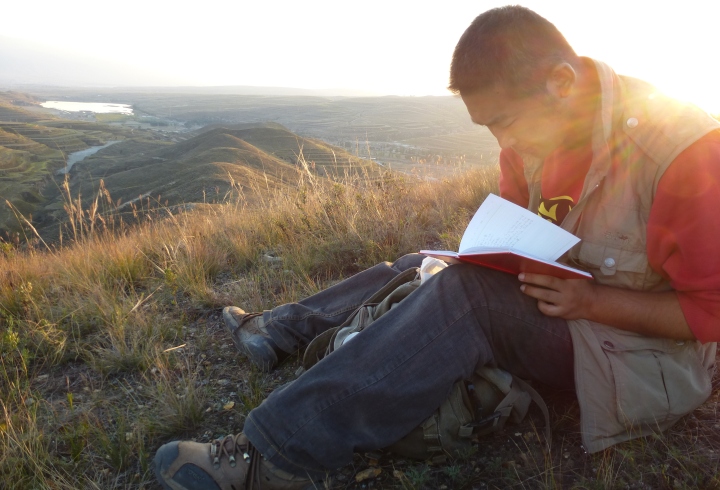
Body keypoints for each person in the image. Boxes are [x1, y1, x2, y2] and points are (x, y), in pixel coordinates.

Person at [153, 6, 720, 489]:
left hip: (641, 359)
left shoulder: (680, 154)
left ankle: (273, 455)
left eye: (506, 122)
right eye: (488, 129)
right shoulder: (534, 139)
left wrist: (589, 303)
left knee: (466, 295)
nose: (505, 144)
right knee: (427, 263)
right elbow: (523, 239)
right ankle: (278, 330)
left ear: (563, 82)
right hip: (566, 308)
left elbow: (711, 315)